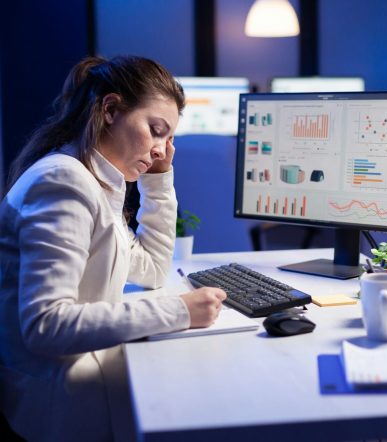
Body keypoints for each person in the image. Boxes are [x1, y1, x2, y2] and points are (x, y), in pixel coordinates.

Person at [0, 55, 226, 441]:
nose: (161, 150)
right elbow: (45, 326)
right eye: (155, 130)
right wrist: (178, 312)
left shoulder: (94, 180)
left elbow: (153, 268)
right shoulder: (64, 183)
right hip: (53, 397)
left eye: (169, 139)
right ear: (110, 109)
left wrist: (158, 180)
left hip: (73, 374)